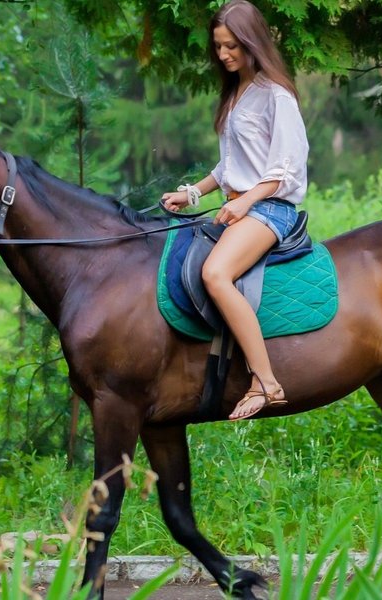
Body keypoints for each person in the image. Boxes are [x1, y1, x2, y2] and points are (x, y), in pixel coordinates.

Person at [161, 0, 309, 421]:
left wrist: (246, 200)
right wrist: (192, 193)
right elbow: (230, 165)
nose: (224, 54)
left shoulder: (276, 96)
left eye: (232, 46)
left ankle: (267, 382)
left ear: (252, 42)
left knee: (215, 273)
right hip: (241, 206)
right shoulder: (237, 93)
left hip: (271, 209)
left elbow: (286, 168)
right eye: (218, 46)